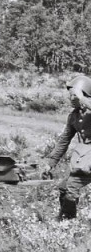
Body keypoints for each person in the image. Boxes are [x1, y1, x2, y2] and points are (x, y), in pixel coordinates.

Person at [41, 75, 91, 220]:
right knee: (64, 187)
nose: (71, 98)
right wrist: (50, 164)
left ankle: (67, 223)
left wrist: (83, 99)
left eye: (74, 95)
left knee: (70, 188)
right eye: (71, 95)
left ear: (84, 94)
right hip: (83, 157)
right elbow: (64, 140)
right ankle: (67, 219)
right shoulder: (74, 116)